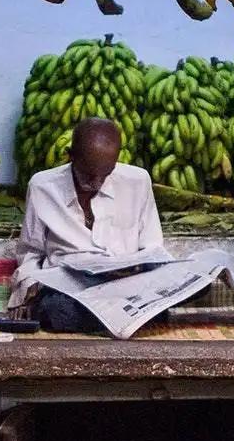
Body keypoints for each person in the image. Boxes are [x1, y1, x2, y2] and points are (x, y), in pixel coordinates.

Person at [11, 117, 164, 333]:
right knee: (56, 310)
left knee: (186, 293)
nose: (97, 183)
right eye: (89, 175)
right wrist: (26, 291)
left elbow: (153, 248)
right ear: (70, 155)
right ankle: (122, 319)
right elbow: (30, 252)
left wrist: (137, 270)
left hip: (124, 287)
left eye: (106, 174)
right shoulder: (42, 186)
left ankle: (118, 316)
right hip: (71, 290)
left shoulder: (138, 181)